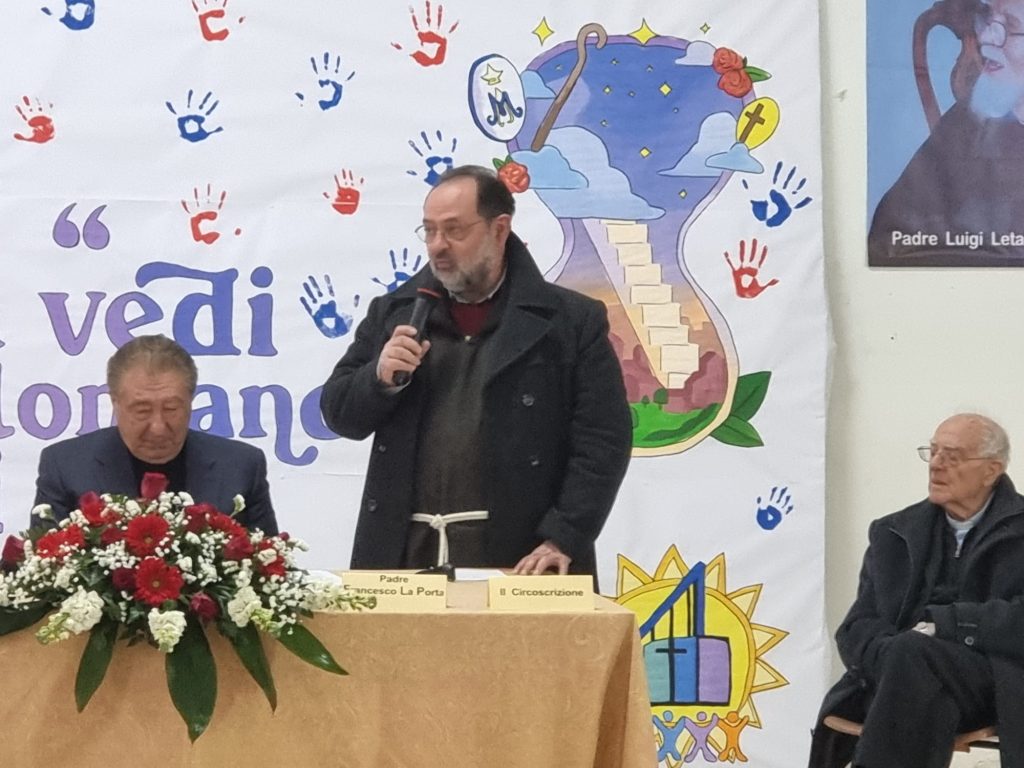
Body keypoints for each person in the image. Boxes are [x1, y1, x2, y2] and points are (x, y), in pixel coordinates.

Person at [320, 164, 632, 579]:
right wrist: (377, 379)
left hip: (521, 557)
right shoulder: (394, 313)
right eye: (429, 231)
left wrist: (564, 536)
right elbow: (339, 414)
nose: (438, 246)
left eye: (454, 230)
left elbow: (603, 440)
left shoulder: (570, 322)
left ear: (499, 230)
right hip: (404, 556)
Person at [808, 413, 1024, 768]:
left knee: (914, 655)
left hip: (996, 685)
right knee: (919, 674)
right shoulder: (893, 532)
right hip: (907, 679)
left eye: (952, 456)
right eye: (933, 452)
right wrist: (893, 656)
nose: (936, 465)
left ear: (991, 470)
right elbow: (856, 627)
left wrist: (949, 624)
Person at [31, 334, 278, 534]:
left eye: (171, 409)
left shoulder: (241, 466)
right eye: (142, 410)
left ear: (191, 401)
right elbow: (42, 569)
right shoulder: (65, 467)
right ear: (115, 402)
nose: (158, 427)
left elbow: (270, 568)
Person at [869, 0, 1024, 265]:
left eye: (1009, 26)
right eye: (987, 20)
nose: (984, 38)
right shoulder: (968, 121)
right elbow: (890, 236)